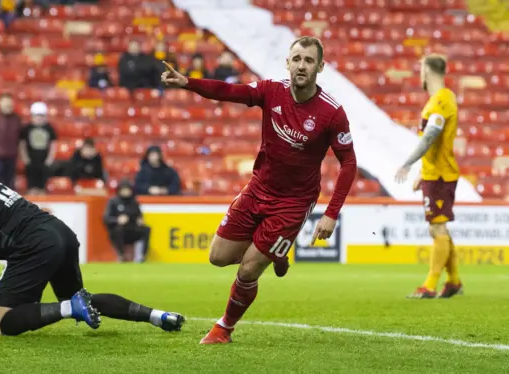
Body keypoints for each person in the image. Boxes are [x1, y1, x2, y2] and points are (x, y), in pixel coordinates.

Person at [161, 36, 357, 344]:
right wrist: (187, 82)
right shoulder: (271, 91)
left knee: (250, 268)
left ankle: (224, 327)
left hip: (293, 202)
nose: (301, 65)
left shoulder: (331, 113)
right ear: (287, 63)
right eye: (296, 59)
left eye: (308, 60)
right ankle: (275, 254)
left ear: (320, 67)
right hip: (258, 188)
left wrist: (331, 213)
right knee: (218, 257)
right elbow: (229, 91)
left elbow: (348, 163)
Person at [0, 136, 184, 336]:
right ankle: (158, 316)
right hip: (58, 232)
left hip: (33, 245)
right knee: (78, 297)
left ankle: (70, 308)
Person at [394, 54, 462, 299]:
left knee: (437, 228)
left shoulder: (442, 99)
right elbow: (434, 144)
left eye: (421, 69)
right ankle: (453, 281)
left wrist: (408, 164)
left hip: (442, 176)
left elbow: (430, 137)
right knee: (439, 226)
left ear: (427, 71)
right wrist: (423, 172)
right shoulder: (438, 99)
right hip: (434, 174)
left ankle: (430, 285)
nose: (419, 74)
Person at [103, 179, 151, 263]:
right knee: (118, 230)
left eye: (128, 190)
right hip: (119, 231)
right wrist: (117, 220)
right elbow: (106, 218)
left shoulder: (134, 202)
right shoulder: (113, 202)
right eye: (123, 190)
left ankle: (142, 256)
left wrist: (140, 220)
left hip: (132, 229)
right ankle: (121, 255)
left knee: (146, 229)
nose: (126, 192)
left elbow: (139, 215)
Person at [19, 102, 57, 195]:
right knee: (31, 187)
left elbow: (53, 144)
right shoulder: (27, 128)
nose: (39, 118)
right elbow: (22, 144)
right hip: (31, 162)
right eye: (37, 116)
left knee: (42, 188)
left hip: (44, 162)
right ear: (32, 116)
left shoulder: (49, 128)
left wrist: (49, 159)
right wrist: (25, 158)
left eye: (41, 116)